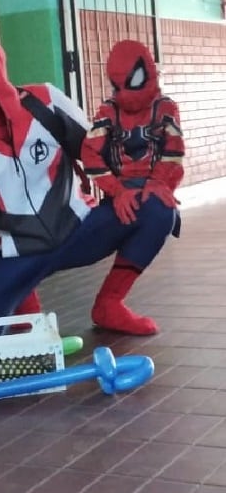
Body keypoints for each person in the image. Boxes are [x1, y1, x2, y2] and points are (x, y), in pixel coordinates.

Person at [0, 18, 178, 352]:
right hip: (14, 254)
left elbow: (100, 153)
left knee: (157, 208)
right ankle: (24, 305)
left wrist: (146, 180)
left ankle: (110, 304)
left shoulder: (46, 103)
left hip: (78, 230)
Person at [81, 39, 184, 334]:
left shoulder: (165, 109)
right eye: (117, 87)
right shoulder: (108, 112)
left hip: (151, 191)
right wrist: (116, 190)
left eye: (132, 82)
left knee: (161, 215)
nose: (125, 94)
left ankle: (111, 300)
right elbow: (90, 151)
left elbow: (173, 151)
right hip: (118, 194)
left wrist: (158, 183)